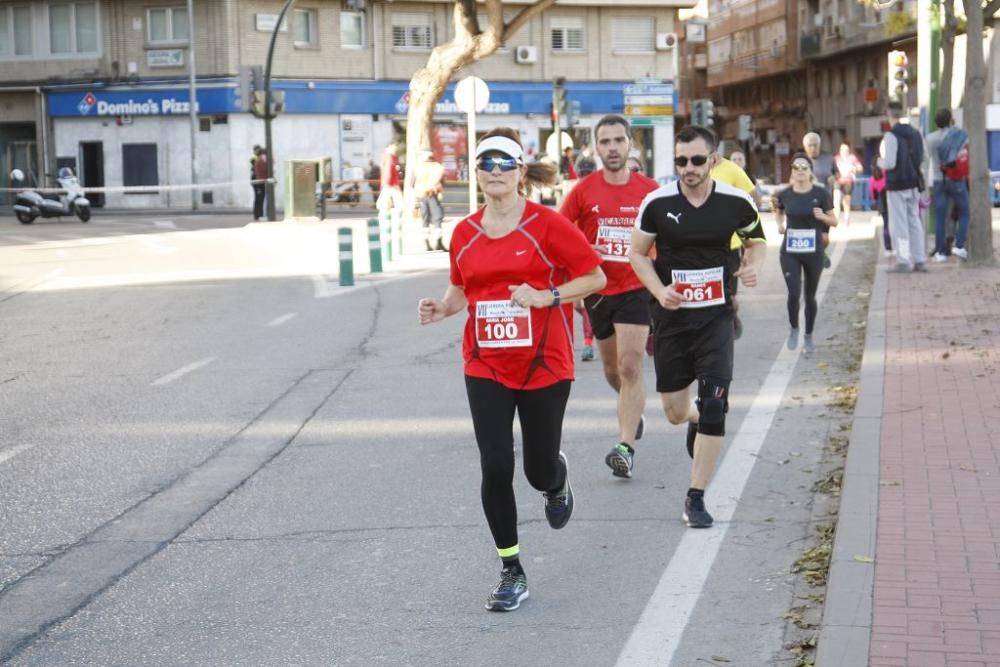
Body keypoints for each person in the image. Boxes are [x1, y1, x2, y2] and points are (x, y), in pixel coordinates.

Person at [417, 128, 606, 612]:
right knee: (495, 464)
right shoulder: (463, 233)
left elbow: (595, 275)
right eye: (487, 163)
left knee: (536, 469)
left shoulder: (547, 225)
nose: (496, 171)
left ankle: (556, 479)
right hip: (485, 364)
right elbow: (461, 289)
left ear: (522, 172)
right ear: (476, 174)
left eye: (506, 163)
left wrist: (549, 296)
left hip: (545, 363)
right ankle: (511, 568)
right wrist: (442, 308)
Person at [629, 125, 766, 529]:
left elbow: (757, 241)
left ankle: (696, 497)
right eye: (681, 161)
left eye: (696, 160)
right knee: (674, 411)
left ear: (714, 160)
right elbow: (637, 254)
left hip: (717, 318)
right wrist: (658, 289)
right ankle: (691, 420)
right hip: (672, 319)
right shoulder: (657, 203)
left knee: (714, 403)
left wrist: (753, 267)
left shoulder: (736, 202)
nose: (688, 168)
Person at [560, 114, 659, 479]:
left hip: (636, 287)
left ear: (631, 143)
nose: (613, 147)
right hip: (598, 289)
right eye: (605, 142)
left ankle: (625, 447)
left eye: (619, 140)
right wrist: (588, 249)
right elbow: (559, 233)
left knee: (631, 365)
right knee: (611, 371)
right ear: (596, 147)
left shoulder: (650, 190)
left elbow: (667, 237)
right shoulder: (583, 191)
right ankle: (632, 410)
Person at [774, 152, 838, 353]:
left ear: (811, 171)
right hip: (790, 250)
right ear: (791, 171)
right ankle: (794, 328)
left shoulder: (820, 194)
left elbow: (834, 220)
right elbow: (777, 208)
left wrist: (823, 217)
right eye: (796, 167)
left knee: (810, 296)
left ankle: (809, 336)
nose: (800, 171)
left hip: (814, 251)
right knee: (794, 293)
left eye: (804, 167)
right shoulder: (785, 193)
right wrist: (779, 224)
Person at [710, 156, 760, 340]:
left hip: (730, 246)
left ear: (714, 151)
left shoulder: (732, 170)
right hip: (704, 246)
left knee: (729, 296)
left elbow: (756, 198)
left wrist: (741, 218)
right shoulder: (693, 171)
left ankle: (730, 316)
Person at [879, 101, 928, 273]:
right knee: (914, 221)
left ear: (888, 114)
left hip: (897, 185)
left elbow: (890, 163)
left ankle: (903, 260)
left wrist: (879, 162)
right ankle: (920, 259)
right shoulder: (916, 133)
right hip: (914, 183)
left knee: (899, 224)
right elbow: (924, 156)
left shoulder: (890, 136)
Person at [926, 108, 970, 261]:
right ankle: (959, 245)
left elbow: (928, 159)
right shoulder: (958, 136)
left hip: (939, 180)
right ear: (950, 120)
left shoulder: (930, 138)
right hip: (956, 179)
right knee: (965, 211)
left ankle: (940, 252)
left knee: (940, 217)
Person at [802, 133, 836, 268]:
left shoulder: (828, 158)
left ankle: (820, 252)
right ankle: (814, 258)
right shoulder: (801, 162)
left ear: (819, 145)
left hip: (825, 204)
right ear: (805, 147)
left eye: (815, 145)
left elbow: (835, 173)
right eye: (809, 146)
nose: (813, 148)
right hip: (807, 204)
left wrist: (834, 178)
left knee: (825, 238)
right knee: (811, 234)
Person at [414, 149, 446, 251]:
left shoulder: (417, 168)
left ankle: (427, 243)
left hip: (421, 195)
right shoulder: (438, 167)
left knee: (425, 219)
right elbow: (442, 182)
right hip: (433, 195)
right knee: (437, 218)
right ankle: (438, 242)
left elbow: (412, 183)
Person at [833, 144, 862, 225]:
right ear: (840, 150)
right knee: (836, 201)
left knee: (846, 202)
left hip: (848, 181)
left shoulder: (852, 158)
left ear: (848, 151)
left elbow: (860, 167)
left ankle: (846, 218)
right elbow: (832, 169)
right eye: (842, 150)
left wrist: (855, 168)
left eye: (846, 150)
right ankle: (836, 219)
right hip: (838, 181)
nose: (844, 151)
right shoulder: (836, 158)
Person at [869, 157, 892, 257]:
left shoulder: (872, 179)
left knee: (886, 225)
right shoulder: (887, 175)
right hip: (890, 201)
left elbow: (872, 196)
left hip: (881, 204)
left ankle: (888, 248)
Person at [376, 143, 403, 213]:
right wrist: (388, 181)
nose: (395, 149)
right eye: (393, 147)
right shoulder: (389, 157)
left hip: (390, 181)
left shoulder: (390, 157)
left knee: (387, 197)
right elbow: (388, 170)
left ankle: (384, 210)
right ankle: (396, 212)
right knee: (397, 199)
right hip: (391, 182)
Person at [252, 146, 267, 221]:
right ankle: (258, 215)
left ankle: (258, 215)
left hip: (258, 180)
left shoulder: (258, 158)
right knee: (259, 198)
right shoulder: (257, 159)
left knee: (259, 198)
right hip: (258, 181)